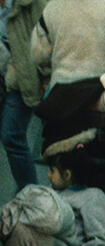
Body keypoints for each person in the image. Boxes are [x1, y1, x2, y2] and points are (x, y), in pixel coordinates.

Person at [0, 131, 105, 246]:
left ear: (67, 174)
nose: (48, 175)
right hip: (41, 234)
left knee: (21, 232)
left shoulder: (92, 196)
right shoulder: (53, 192)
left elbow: (99, 235)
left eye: (52, 171)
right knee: (14, 223)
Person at [2, 0, 46, 191]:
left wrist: (46, 76)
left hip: (22, 71)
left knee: (11, 134)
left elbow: (48, 33)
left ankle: (31, 198)